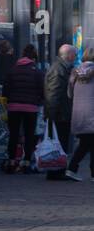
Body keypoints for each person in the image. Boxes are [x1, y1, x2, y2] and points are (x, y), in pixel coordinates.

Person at [3, 44, 45, 173]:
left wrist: (10, 101)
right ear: (34, 57)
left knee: (13, 135)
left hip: (14, 107)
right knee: (29, 135)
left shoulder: (12, 70)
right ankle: (26, 162)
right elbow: (42, 90)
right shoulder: (37, 71)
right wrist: (39, 101)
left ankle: (11, 161)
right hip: (30, 108)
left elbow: (6, 90)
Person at [44, 44, 77, 180]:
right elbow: (54, 94)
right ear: (68, 55)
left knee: (59, 144)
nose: (75, 57)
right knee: (59, 143)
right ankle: (56, 171)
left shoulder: (62, 68)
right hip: (59, 115)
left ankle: (57, 170)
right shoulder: (59, 70)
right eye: (74, 55)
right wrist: (51, 117)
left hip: (60, 114)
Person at [65, 45, 94, 181]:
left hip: (79, 114)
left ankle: (73, 168)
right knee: (86, 144)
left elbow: (69, 94)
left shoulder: (74, 72)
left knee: (86, 142)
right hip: (92, 114)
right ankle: (72, 168)